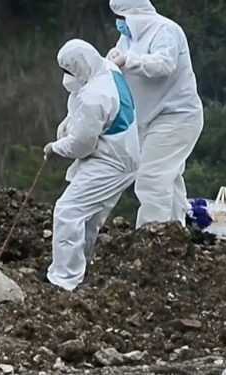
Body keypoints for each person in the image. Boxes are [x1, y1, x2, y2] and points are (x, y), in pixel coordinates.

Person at [43, 39, 140, 291]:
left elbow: (82, 145)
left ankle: (64, 280)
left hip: (110, 161)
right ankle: (78, 271)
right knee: (89, 217)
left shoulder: (93, 96)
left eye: (68, 71)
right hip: (123, 155)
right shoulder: (107, 69)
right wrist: (69, 120)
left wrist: (55, 148)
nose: (65, 77)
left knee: (68, 211)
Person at [106, 0, 204, 228]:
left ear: (135, 14)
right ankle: (174, 234)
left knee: (151, 179)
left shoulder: (166, 30)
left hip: (176, 117)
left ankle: (152, 238)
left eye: (121, 17)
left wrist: (127, 60)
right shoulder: (128, 39)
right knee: (169, 180)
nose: (119, 23)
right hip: (149, 119)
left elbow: (163, 64)